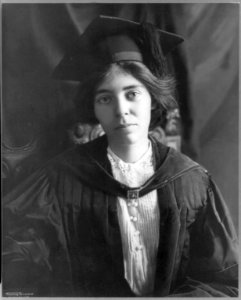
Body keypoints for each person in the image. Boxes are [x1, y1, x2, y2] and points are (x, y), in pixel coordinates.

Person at [2, 15, 238, 297]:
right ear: (94, 108)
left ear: (153, 98)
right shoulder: (59, 180)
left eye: (132, 94)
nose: (121, 109)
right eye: (105, 98)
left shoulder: (192, 182)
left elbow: (223, 281)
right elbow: (17, 266)